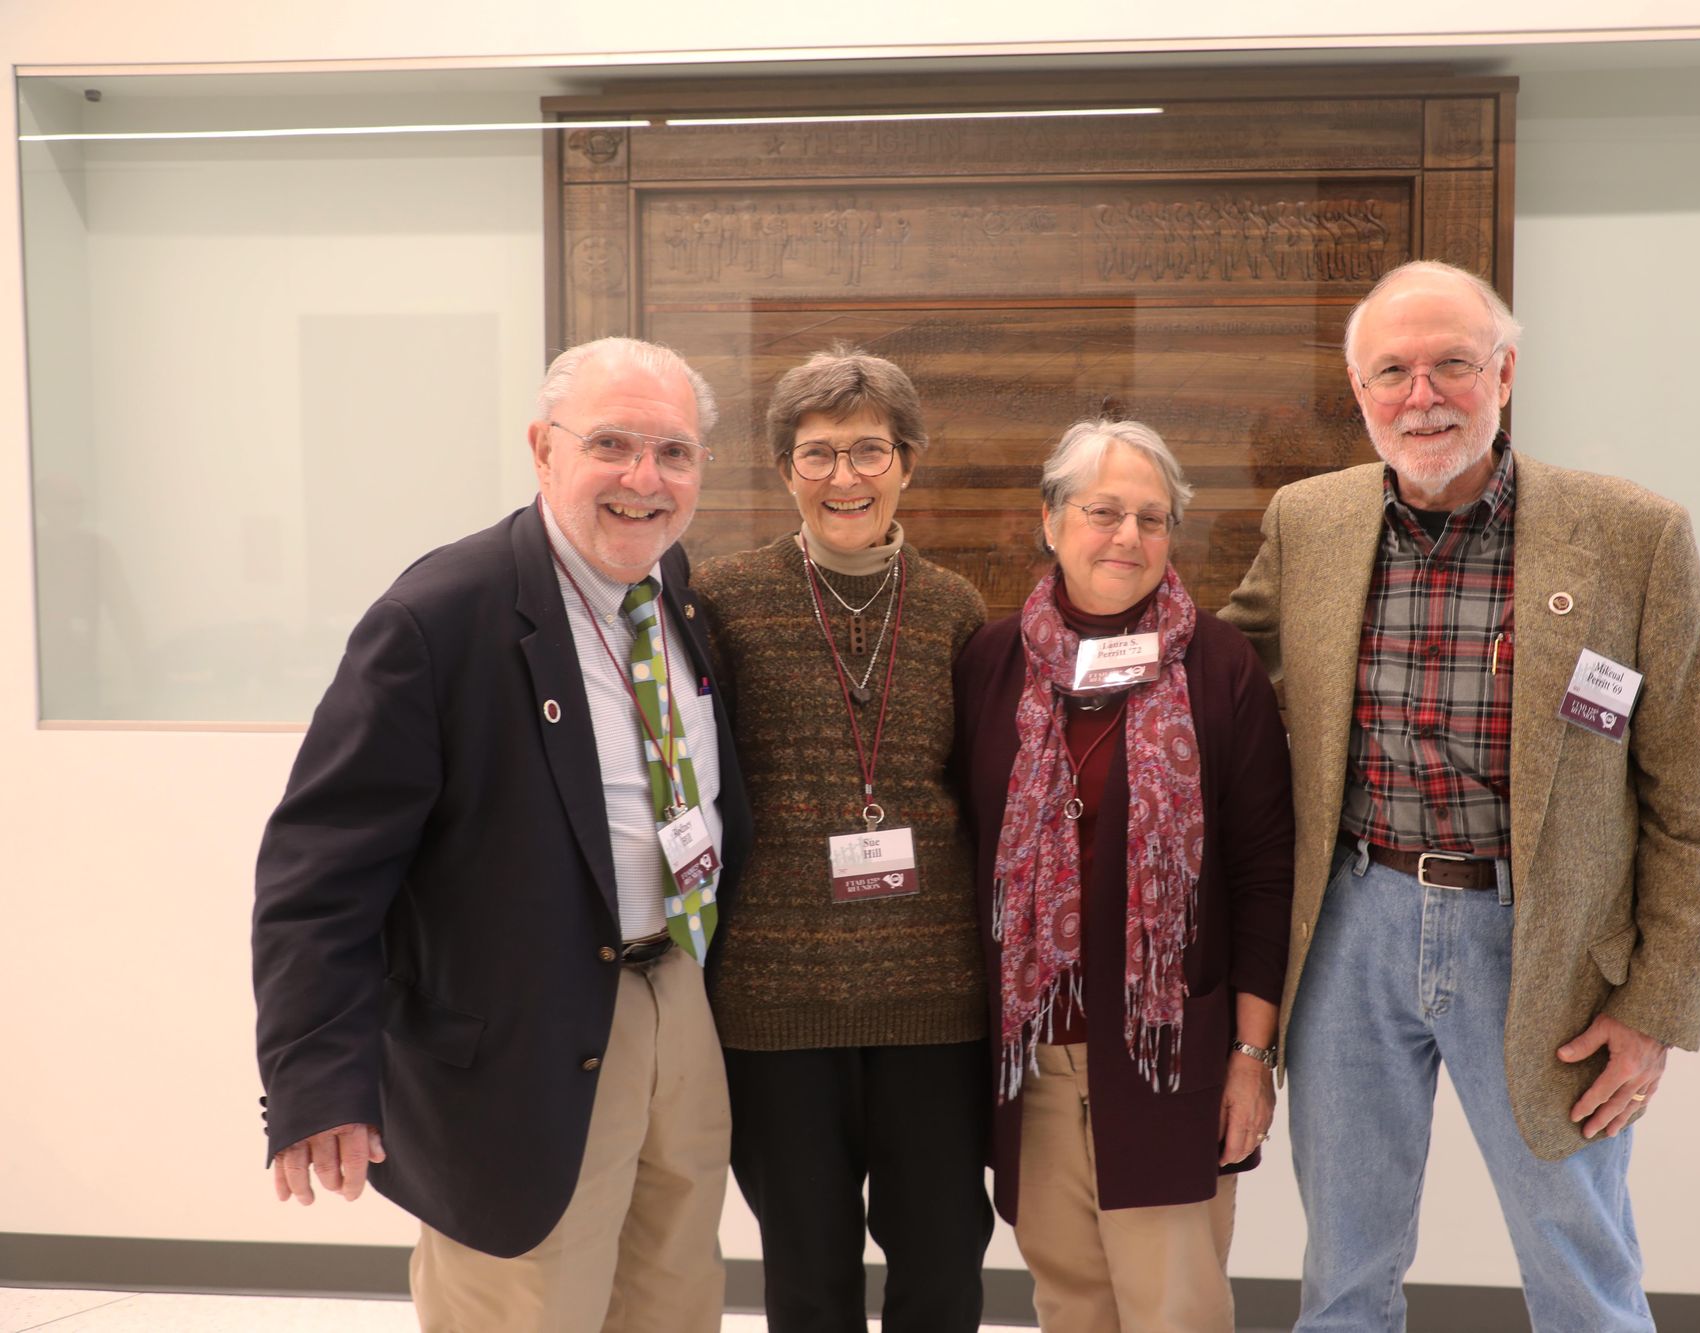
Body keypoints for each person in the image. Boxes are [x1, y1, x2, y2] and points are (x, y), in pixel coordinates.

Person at [1220, 260, 1700, 1332]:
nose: (1422, 395)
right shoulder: (1306, 522)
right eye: (1391, 372)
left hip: (1542, 948)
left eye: (1452, 364)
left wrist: (1653, 1010)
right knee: (1343, 1268)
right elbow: (1210, 679)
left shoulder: (1631, 537)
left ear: (1503, 373)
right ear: (1358, 393)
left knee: (1577, 1265)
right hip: (1349, 932)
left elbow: (1690, 808)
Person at [252, 336, 750, 1332]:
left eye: (674, 453)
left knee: (672, 1297)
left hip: (673, 1000)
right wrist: (316, 1079)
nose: (644, 480)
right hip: (518, 1047)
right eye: (611, 443)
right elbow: (321, 872)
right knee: (527, 1307)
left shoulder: (671, 589)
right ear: (542, 448)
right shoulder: (439, 616)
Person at [955, 419, 1295, 1332]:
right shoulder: (991, 663)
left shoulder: (1221, 667)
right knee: (1069, 1304)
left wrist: (1253, 1060)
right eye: (1104, 511)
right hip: (1034, 1059)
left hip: (1168, 1057)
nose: (1129, 537)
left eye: (1154, 517)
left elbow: (1266, 879)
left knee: (1174, 1308)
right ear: (1052, 520)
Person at [689, 347, 993, 1333]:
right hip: (776, 1000)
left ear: (907, 460)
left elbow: (979, 795)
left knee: (943, 1261)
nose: (843, 477)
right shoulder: (723, 603)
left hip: (931, 998)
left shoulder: (955, 609)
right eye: (816, 454)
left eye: (867, 450)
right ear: (784, 470)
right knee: (806, 1277)